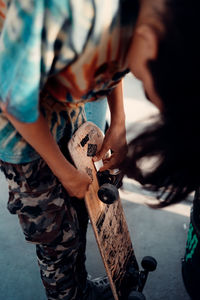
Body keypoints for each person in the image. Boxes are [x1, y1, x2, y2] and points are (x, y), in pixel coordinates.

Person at [0, 0, 199, 299]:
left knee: (79, 213)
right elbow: (14, 102)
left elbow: (120, 53)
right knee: (55, 235)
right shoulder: (56, 11)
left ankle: (80, 285)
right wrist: (64, 172)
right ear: (149, 40)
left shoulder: (142, 16)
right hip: (22, 139)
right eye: (146, 88)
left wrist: (118, 122)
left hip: (68, 113)